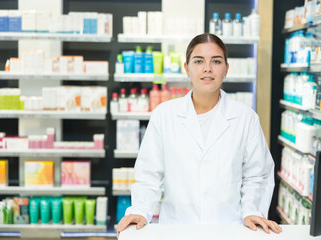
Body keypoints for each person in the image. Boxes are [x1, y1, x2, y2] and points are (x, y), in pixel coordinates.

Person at [117, 33, 282, 237]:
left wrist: (252, 211)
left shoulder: (245, 118)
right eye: (198, 61)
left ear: (226, 69)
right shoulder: (164, 115)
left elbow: (258, 174)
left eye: (216, 61)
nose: (207, 68)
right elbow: (148, 174)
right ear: (186, 68)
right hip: (177, 229)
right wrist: (140, 210)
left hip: (229, 229)